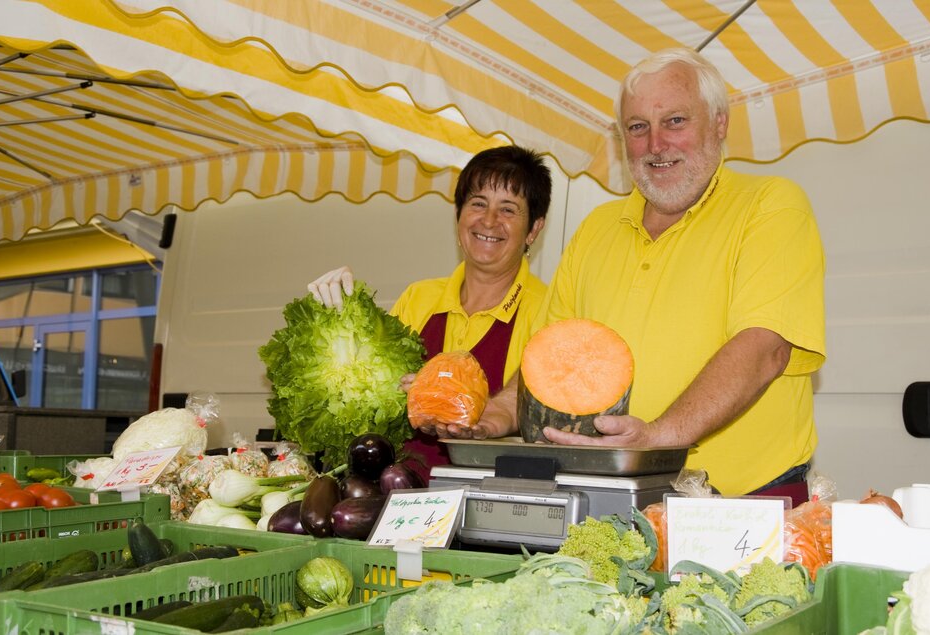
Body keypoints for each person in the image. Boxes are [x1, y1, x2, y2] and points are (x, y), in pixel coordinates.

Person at [460, 48, 826, 504]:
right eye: (637, 127)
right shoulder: (597, 227)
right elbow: (551, 360)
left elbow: (764, 348)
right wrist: (496, 413)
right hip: (615, 503)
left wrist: (658, 437)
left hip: (741, 503)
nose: (655, 145)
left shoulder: (771, 205)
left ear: (718, 123)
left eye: (675, 121)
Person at [307, 145, 554, 481]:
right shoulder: (419, 297)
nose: (489, 220)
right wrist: (347, 320)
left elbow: (541, 422)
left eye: (508, 209)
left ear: (535, 228)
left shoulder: (548, 310)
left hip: (486, 506)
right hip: (397, 498)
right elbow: (371, 398)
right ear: (459, 214)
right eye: (478, 203)